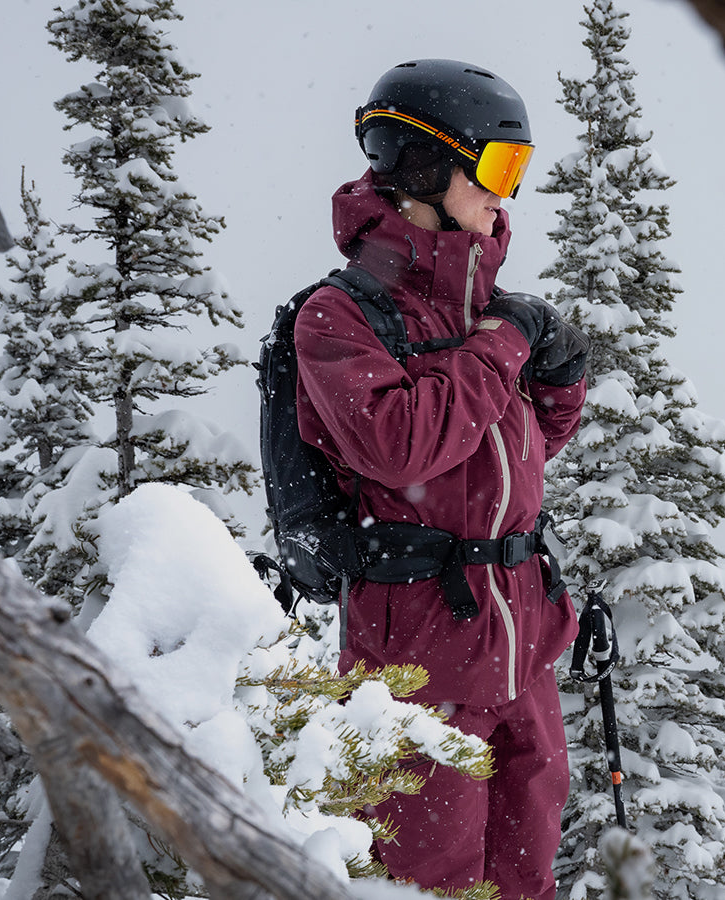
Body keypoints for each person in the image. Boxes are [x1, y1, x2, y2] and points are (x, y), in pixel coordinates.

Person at [292, 59, 589, 900]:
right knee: (430, 886)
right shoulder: (343, 315)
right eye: (498, 168)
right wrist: (505, 344)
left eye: (519, 173)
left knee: (528, 882)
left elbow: (523, 453)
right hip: (418, 663)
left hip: (521, 652)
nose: (508, 196)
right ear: (425, 168)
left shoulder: (477, 306)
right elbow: (400, 446)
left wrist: (560, 376)